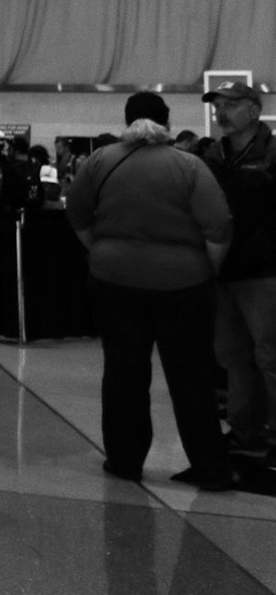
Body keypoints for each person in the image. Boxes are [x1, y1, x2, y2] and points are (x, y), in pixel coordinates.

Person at [64, 91, 233, 490]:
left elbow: (77, 212)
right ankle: (210, 467)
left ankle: (124, 461)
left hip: (114, 282)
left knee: (123, 372)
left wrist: (102, 250)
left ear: (127, 120)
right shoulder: (188, 165)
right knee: (191, 376)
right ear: (167, 123)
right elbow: (219, 225)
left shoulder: (100, 161)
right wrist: (207, 267)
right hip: (183, 284)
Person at [201, 81, 276, 464]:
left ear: (254, 109)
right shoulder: (213, 155)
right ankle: (245, 430)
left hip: (264, 271)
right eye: (217, 106)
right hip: (223, 271)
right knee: (234, 357)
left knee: (270, 357)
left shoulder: (272, 153)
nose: (221, 113)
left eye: (230, 105)